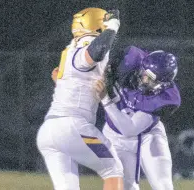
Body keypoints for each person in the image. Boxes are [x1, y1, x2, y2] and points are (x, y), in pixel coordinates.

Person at [36, 7, 124, 190]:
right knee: (113, 169)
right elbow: (95, 52)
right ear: (98, 25)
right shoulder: (86, 46)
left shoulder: (70, 49)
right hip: (72, 128)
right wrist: (113, 27)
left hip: (49, 131)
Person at [97, 46, 181, 190]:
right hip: (114, 136)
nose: (144, 79)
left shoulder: (166, 98)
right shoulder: (129, 61)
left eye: (151, 79)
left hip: (148, 136)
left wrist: (106, 100)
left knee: (163, 185)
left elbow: (129, 129)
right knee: (123, 187)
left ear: (164, 84)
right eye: (144, 73)